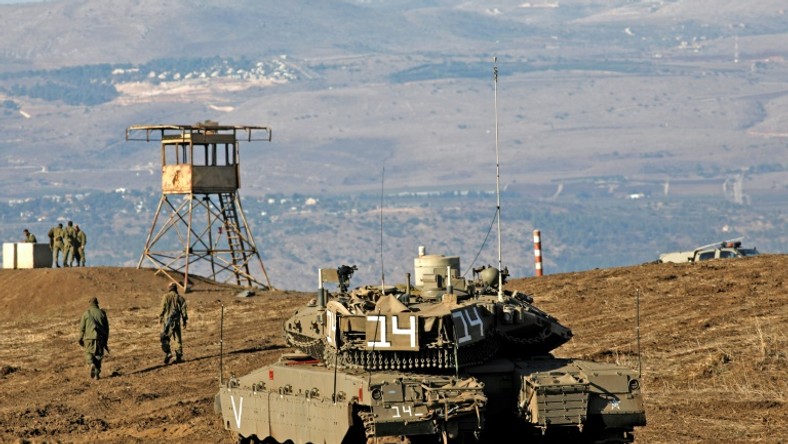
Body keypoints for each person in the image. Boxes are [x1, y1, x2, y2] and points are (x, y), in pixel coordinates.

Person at [78, 296, 110, 380]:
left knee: (88, 352)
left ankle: (91, 363)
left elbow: (82, 328)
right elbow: (107, 328)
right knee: (98, 356)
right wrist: (105, 339)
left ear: (90, 304)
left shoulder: (86, 313)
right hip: (100, 338)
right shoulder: (102, 313)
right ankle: (96, 374)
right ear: (97, 303)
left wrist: (80, 338)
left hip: (88, 339)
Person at [159, 282, 188, 364]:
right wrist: (184, 320)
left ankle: (168, 353)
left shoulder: (166, 296)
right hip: (177, 322)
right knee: (177, 339)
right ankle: (178, 357)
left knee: (165, 338)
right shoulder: (179, 297)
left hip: (168, 321)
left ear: (170, 288)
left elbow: (162, 308)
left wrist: (160, 317)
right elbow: (184, 309)